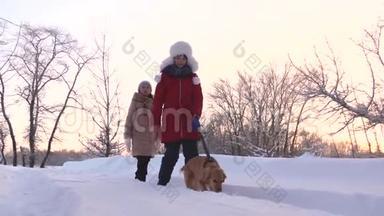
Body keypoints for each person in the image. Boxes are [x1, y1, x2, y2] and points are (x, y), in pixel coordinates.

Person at [152, 41, 203, 186]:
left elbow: (198, 99)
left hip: (188, 121)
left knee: (192, 156)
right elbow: (157, 101)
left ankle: (194, 184)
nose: (180, 60)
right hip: (170, 121)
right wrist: (156, 122)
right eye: (177, 57)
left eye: (183, 57)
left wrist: (196, 115)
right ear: (173, 58)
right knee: (171, 155)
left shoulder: (193, 78)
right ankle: (162, 182)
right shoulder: (165, 78)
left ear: (187, 59)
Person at [124, 81, 158, 182]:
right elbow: (129, 117)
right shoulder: (135, 100)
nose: (145, 89)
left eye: (148, 87)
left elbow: (157, 117)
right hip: (138, 135)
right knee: (141, 158)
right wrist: (127, 135)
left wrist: (158, 135)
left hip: (150, 135)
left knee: (146, 158)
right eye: (143, 87)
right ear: (139, 89)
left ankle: (141, 177)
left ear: (151, 90)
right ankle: (139, 178)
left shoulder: (154, 101)